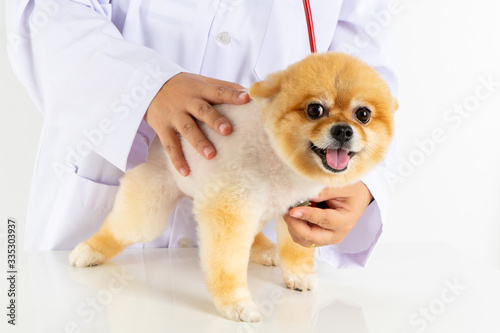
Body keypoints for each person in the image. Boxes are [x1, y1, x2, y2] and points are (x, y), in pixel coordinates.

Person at [7, 0, 398, 268]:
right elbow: (47, 13)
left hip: (264, 225)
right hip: (109, 184)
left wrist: (361, 184)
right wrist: (146, 86)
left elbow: (365, 71)